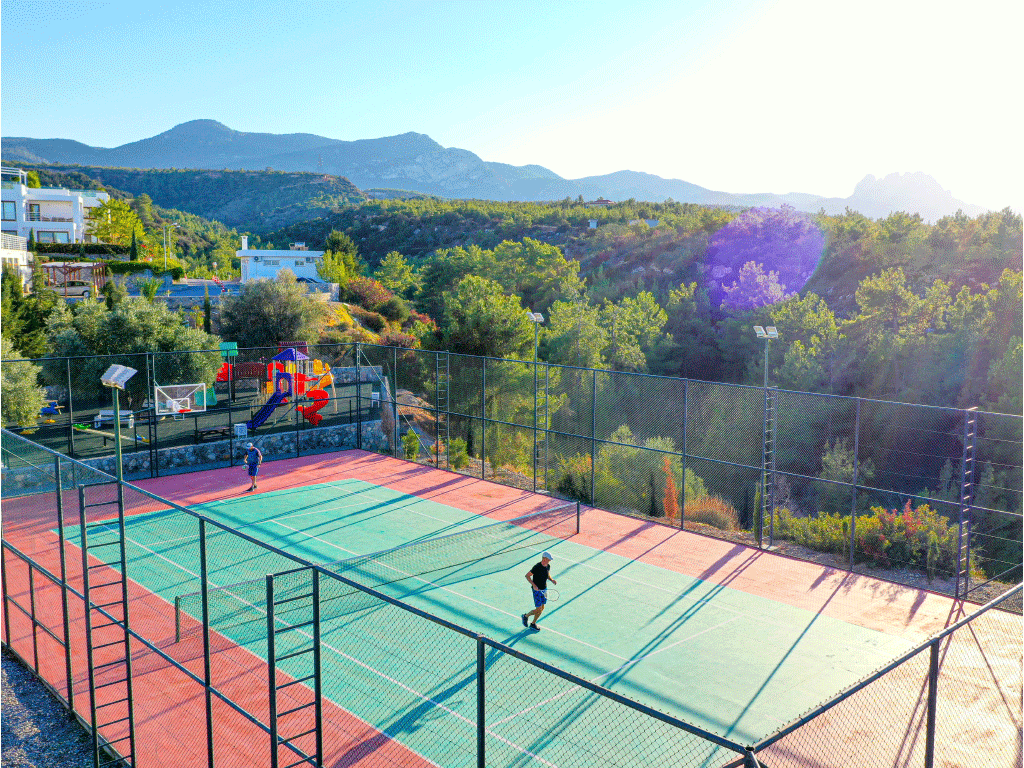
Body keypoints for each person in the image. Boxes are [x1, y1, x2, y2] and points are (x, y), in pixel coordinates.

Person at [522, 551, 556, 631]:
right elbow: (527, 576)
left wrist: (551, 579)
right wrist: (534, 585)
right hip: (536, 591)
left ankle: (533, 623)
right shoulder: (537, 567)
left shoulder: (548, 566)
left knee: (542, 608)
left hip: (544, 589)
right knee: (538, 609)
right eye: (549, 559)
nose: (550, 561)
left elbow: (547, 574)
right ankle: (526, 616)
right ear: (544, 559)